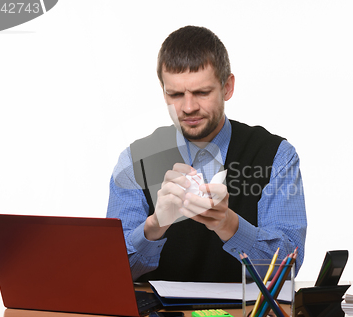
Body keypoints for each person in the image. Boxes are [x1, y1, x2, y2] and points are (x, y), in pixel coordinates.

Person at [107, 25, 307, 282]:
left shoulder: (276, 156)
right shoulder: (135, 161)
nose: (188, 107)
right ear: (163, 90)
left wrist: (229, 224)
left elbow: (286, 270)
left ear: (227, 87)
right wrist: (154, 226)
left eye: (202, 92)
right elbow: (114, 272)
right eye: (175, 94)